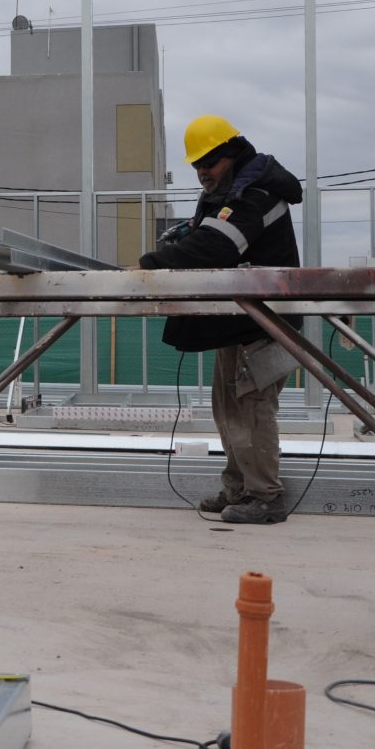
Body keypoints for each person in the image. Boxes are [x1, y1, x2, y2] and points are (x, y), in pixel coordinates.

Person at [138, 115, 303, 525]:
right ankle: (239, 490)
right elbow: (207, 240)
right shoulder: (231, 195)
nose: (201, 173)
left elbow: (213, 249)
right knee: (227, 407)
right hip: (239, 322)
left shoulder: (257, 196)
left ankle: (265, 497)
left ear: (231, 155)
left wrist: (150, 265)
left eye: (208, 163)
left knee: (252, 408)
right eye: (196, 165)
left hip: (264, 325)